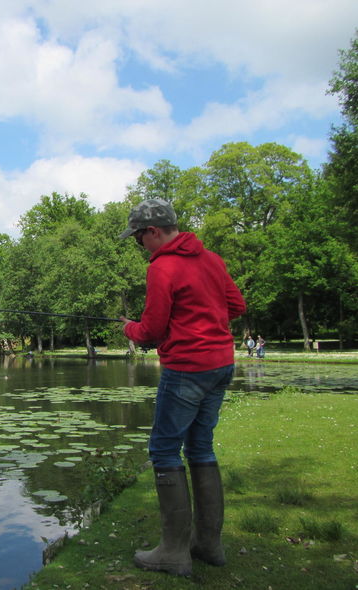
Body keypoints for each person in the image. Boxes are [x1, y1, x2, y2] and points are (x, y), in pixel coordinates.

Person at [118, 199, 246, 577]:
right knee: (201, 447)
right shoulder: (212, 259)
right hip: (221, 364)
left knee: (163, 449)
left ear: (153, 232)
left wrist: (130, 328)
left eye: (138, 237)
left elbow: (152, 330)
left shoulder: (163, 267)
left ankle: (173, 552)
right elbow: (235, 305)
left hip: (187, 368)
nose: (139, 244)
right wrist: (201, 318)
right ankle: (209, 544)